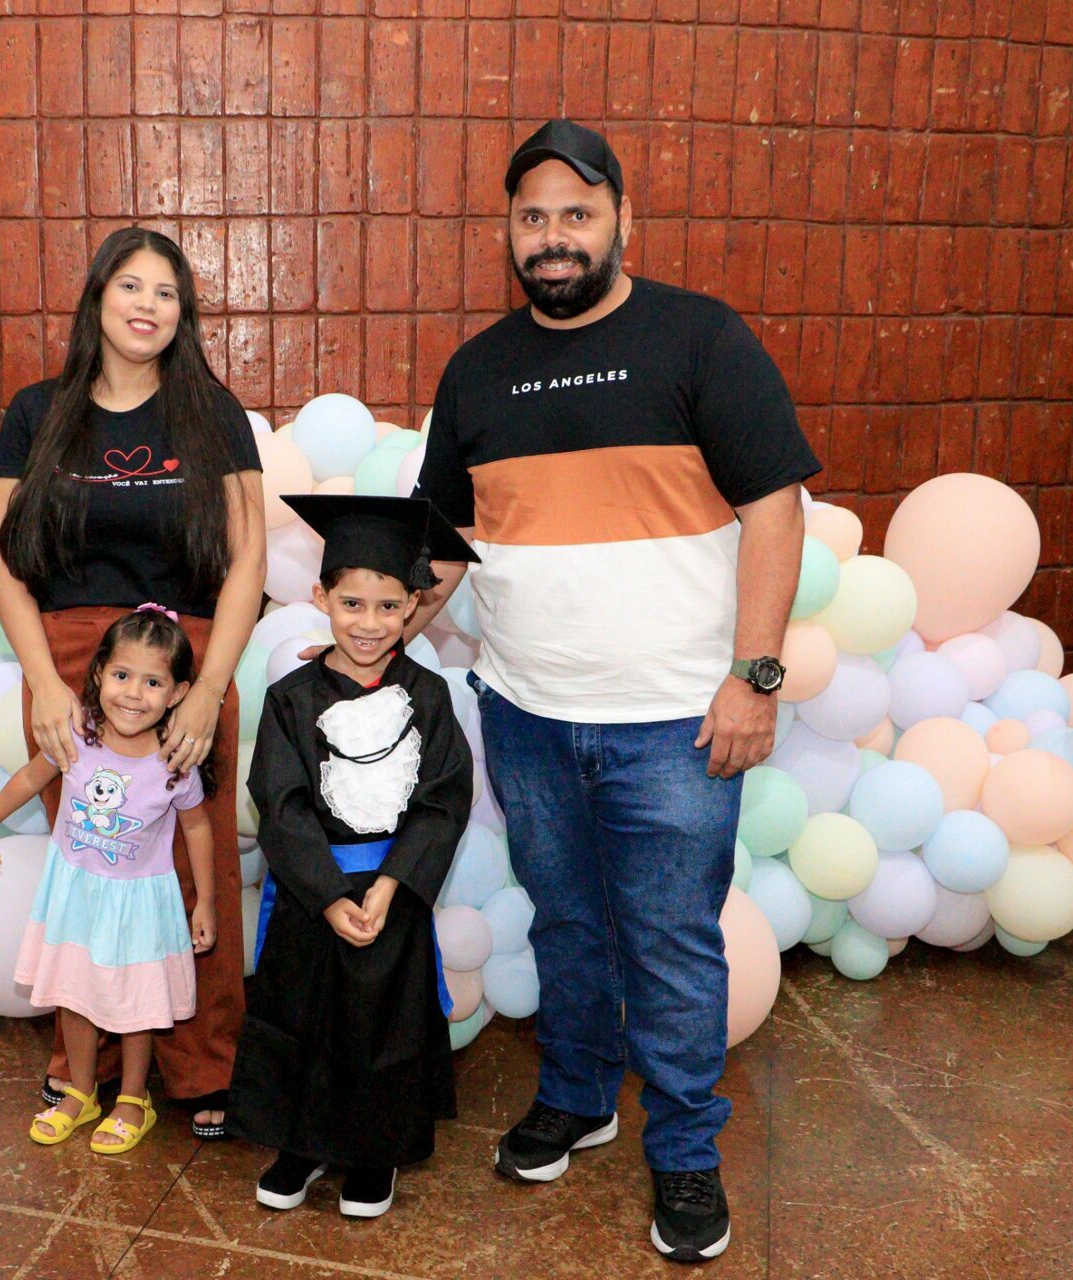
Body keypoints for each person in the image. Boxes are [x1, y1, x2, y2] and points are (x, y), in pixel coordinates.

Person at [405, 120, 819, 1262]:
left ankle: (684, 1153)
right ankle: (580, 1096)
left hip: (678, 723)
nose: (555, 236)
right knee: (568, 923)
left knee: (672, 946)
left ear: (622, 220)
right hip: (527, 715)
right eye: (533, 216)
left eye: (577, 214)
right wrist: (371, 639)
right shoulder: (476, 370)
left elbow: (776, 508)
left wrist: (755, 679)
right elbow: (444, 546)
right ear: (507, 231)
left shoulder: (701, 338)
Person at [0, 227, 266, 1140]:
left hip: (183, 663)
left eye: (167, 293)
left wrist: (209, 685)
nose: (147, 305)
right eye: (131, 287)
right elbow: (5, 563)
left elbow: (248, 560)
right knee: (92, 863)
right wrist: (45, 683)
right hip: (72, 663)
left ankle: (203, 1064)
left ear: (184, 314)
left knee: (191, 865)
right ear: (98, 298)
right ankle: (87, 1067)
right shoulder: (36, 412)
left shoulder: (213, 413)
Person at [229, 495, 478, 1220]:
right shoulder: (290, 698)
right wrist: (329, 893)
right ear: (321, 599)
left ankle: (374, 1153)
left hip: (391, 890)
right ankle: (300, 1144)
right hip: (313, 891)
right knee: (303, 1016)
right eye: (352, 604)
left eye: (388, 606)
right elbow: (279, 801)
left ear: (412, 607)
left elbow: (443, 799)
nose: (369, 623)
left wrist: (394, 884)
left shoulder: (429, 697)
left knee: (381, 1024)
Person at [0, 606, 218, 1154]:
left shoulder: (174, 761)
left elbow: (198, 827)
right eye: (122, 675)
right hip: (76, 893)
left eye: (153, 682)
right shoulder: (77, 736)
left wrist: (205, 901)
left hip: (140, 903)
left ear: (178, 694)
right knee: (74, 992)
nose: (134, 694)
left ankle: (133, 1099)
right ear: (100, 673)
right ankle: (80, 1091)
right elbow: (30, 777)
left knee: (137, 1005)